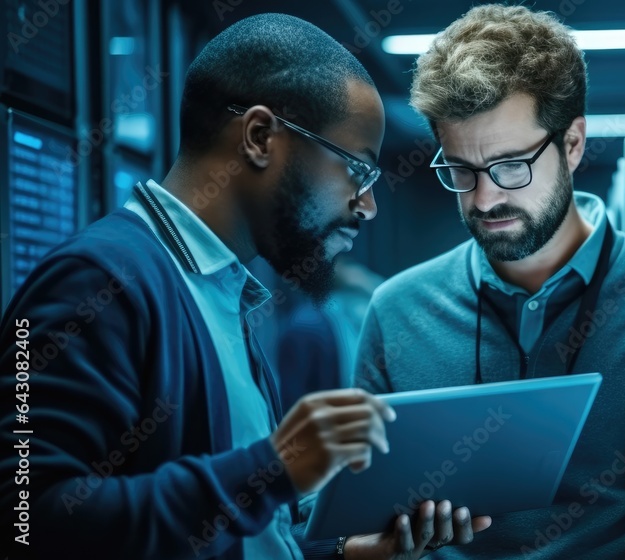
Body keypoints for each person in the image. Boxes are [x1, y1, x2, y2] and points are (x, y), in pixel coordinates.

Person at [0, 14, 484, 560]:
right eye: (357, 170)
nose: (368, 206)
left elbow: (248, 537)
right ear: (259, 137)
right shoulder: (98, 278)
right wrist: (273, 467)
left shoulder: (228, 292)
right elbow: (27, 518)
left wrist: (354, 551)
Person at [352, 5, 625, 559]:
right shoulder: (396, 311)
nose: (485, 199)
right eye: (461, 170)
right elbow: (351, 526)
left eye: (511, 166)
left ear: (573, 144)